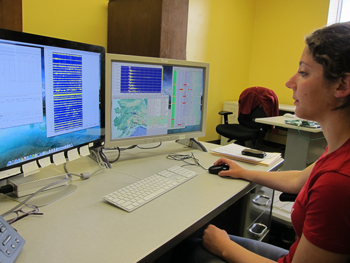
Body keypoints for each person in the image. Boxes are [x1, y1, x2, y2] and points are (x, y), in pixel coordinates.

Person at [187, 22, 350, 263]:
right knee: (199, 240)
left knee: (186, 249)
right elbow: (297, 179)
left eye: (303, 72)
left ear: (342, 85)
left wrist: (224, 248)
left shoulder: (338, 182)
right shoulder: (340, 150)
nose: (289, 82)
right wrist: (244, 172)